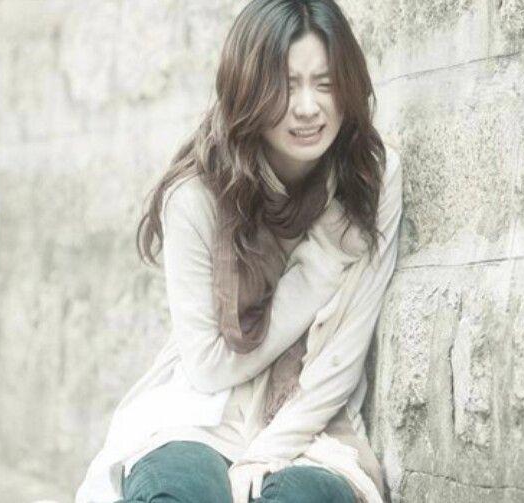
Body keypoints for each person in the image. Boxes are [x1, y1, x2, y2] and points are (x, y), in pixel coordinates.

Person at [75, 0, 403, 502]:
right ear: (248, 88)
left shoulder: (369, 182)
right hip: (201, 416)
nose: (308, 107)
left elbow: (343, 356)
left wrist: (267, 451)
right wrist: (319, 265)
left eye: (325, 83)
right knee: (179, 492)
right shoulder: (196, 196)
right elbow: (208, 366)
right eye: (286, 85)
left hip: (311, 426)